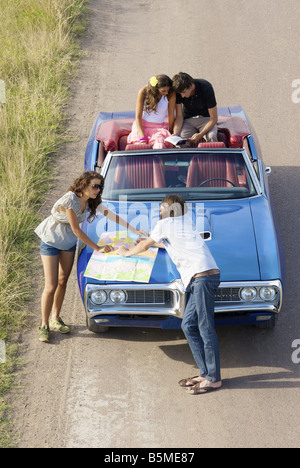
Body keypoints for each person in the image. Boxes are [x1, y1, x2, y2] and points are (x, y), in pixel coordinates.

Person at [117, 194, 222, 395]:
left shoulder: (165, 224)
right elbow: (172, 244)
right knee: (188, 325)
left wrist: (126, 252)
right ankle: (204, 373)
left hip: (202, 278)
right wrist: (153, 242)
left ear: (170, 210)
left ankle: (213, 379)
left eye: (162, 208)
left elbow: (143, 246)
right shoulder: (185, 222)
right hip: (201, 277)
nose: (159, 211)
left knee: (205, 327)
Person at [35, 171, 142, 343]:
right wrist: (98, 247)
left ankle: (56, 319)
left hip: (68, 243)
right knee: (51, 285)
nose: (98, 190)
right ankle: (44, 324)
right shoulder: (70, 199)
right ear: (84, 184)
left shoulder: (92, 201)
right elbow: (77, 230)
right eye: (95, 186)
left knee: (63, 281)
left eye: (100, 186)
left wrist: (133, 229)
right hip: (51, 240)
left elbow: (110, 215)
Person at [127, 74, 176, 149]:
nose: (166, 93)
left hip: (159, 128)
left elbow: (171, 115)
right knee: (141, 147)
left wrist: (171, 132)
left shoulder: (170, 94)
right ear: (156, 88)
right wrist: (143, 137)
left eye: (168, 90)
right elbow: (138, 117)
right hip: (142, 127)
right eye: (163, 91)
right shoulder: (143, 91)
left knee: (160, 147)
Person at [172, 72, 218, 146]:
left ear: (191, 85)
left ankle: (214, 157)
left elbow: (214, 118)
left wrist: (200, 135)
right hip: (188, 120)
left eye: (184, 92)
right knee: (181, 142)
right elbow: (179, 116)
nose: (182, 96)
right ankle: (186, 157)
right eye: (180, 94)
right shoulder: (179, 92)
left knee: (211, 136)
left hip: (206, 119)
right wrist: (175, 134)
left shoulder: (206, 87)